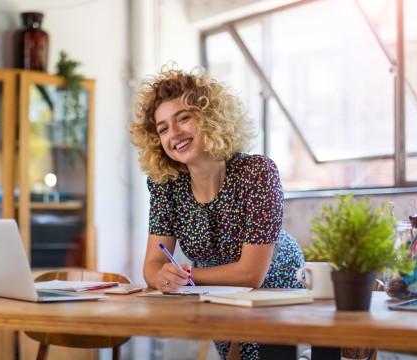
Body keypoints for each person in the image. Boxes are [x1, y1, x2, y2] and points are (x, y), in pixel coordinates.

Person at [129, 64, 305, 360]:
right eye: (163, 128)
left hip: (275, 286)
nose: (174, 133)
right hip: (216, 293)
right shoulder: (166, 184)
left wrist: (186, 277)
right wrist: (162, 278)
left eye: (183, 118)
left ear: (209, 118)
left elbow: (251, 274)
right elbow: (152, 264)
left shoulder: (257, 172)